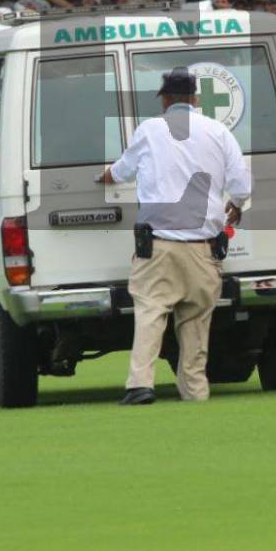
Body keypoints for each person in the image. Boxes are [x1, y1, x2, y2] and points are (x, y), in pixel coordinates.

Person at [97, 67, 251, 405]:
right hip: (203, 247)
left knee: (151, 311)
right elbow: (241, 183)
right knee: (196, 321)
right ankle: (195, 391)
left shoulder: (151, 129)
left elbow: (120, 172)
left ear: (165, 99)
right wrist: (236, 206)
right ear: (195, 99)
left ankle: (140, 384)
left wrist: (102, 177)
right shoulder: (218, 131)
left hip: (159, 245)